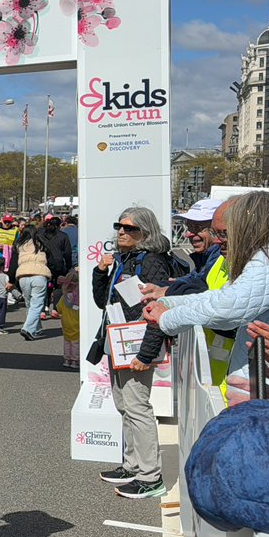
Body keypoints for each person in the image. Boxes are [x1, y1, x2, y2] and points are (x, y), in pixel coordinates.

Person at [146, 192, 269, 407]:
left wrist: (168, 319)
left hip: (267, 392)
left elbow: (227, 308)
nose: (218, 240)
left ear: (249, 227)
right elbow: (221, 295)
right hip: (260, 385)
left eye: (224, 233)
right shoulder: (265, 255)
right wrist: (171, 304)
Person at [90, 207, 174, 500]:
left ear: (145, 233)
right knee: (124, 405)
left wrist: (147, 354)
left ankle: (150, 477)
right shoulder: (125, 259)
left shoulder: (151, 262)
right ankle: (132, 465)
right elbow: (104, 301)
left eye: (130, 228)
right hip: (119, 342)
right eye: (119, 226)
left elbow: (157, 312)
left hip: (136, 346)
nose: (121, 232)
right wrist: (100, 272)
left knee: (137, 408)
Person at [9, 228, 51, 341]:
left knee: (29, 303)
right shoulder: (42, 244)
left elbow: (13, 263)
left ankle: (35, 328)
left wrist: (11, 280)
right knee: (37, 304)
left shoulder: (19, 245)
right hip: (39, 275)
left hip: (23, 276)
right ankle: (28, 328)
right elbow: (53, 259)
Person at [37, 215, 73, 316]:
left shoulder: (41, 235)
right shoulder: (63, 236)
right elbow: (67, 253)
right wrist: (69, 266)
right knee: (58, 286)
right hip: (58, 263)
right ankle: (55, 309)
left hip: (44, 262)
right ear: (59, 225)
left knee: (43, 286)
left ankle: (42, 310)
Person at [57, 268, 81, 369]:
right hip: (76, 321)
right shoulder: (79, 297)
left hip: (66, 322)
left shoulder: (64, 297)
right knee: (75, 342)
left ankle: (67, 359)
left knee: (67, 341)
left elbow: (59, 309)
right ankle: (75, 360)